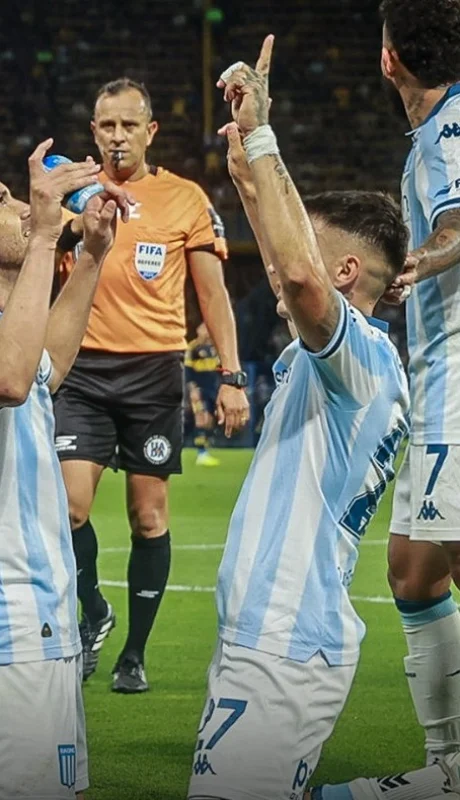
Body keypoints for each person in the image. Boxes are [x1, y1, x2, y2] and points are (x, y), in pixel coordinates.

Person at [187, 38, 411, 800]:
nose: (287, 261)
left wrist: (264, 136)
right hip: (272, 634)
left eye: (312, 253)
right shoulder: (341, 368)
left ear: (346, 272)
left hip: (281, 641)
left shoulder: (364, 362)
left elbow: (301, 282)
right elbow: (295, 267)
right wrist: (251, 177)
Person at [54, 77, 249, 693]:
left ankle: (133, 653)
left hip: (154, 372)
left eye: (128, 125)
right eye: (105, 126)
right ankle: (94, 613)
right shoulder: (71, 198)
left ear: (150, 130)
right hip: (79, 368)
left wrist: (231, 375)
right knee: (67, 508)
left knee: (148, 517)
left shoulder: (186, 197)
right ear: (93, 132)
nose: (117, 136)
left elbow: (212, 292)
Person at [0, 141, 129, 799]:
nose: (20, 206)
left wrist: (93, 257)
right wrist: (49, 232)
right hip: (8, 615)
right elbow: (13, 379)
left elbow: (46, 367)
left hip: (38, 605)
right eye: (3, 201)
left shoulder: (10, 321)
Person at [377, 0, 460, 768]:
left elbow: (458, 225)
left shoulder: (445, 135)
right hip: (439, 380)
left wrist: (418, 261)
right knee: (413, 569)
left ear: (389, 58)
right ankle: (446, 765)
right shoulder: (436, 134)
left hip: (458, 386)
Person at [185, 322, 221, 467]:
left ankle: (204, 449)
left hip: (212, 389)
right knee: (201, 418)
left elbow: (218, 370)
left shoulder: (214, 348)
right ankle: (201, 454)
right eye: (203, 328)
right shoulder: (193, 348)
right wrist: (192, 389)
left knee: (210, 420)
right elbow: (187, 372)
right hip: (199, 389)